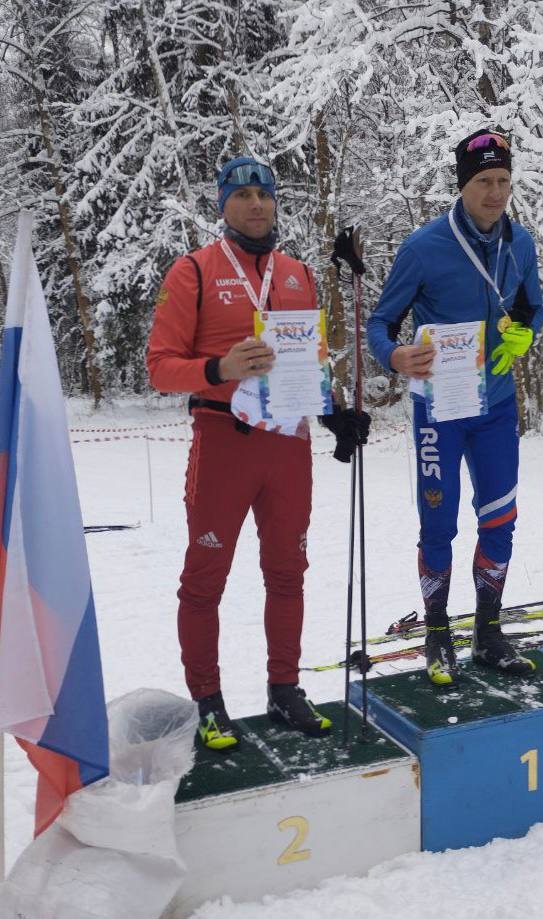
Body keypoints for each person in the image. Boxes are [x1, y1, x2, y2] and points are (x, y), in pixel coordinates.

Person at [147, 156, 369, 750]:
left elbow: (310, 362)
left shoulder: (297, 273)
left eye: (265, 195)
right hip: (225, 442)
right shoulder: (194, 270)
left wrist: (334, 413)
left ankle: (284, 688)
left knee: (288, 573)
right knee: (205, 579)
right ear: (223, 204)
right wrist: (218, 368)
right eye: (243, 195)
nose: (256, 205)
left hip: (287, 447)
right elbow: (160, 367)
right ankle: (207, 700)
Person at [367, 129, 543, 686]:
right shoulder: (424, 247)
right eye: (484, 181)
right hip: (439, 408)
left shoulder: (521, 244)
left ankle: (488, 632)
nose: (495, 193)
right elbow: (379, 323)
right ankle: (438, 633)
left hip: (495, 407)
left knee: (500, 519)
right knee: (438, 522)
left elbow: (533, 308)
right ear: (463, 186)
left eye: (503, 181)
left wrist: (526, 334)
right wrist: (395, 356)